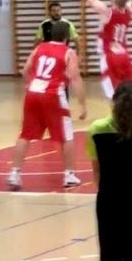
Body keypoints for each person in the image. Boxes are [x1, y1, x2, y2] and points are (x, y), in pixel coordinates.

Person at [87, 31, 132, 260]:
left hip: (109, 195)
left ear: (114, 100)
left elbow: (96, 172)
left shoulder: (96, 129)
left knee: (109, 253)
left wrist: (105, 191)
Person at [8, 22, 87, 190]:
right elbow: (75, 78)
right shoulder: (68, 52)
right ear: (66, 37)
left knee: (25, 134)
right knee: (66, 136)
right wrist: (83, 105)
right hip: (53, 94)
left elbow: (25, 70)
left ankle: (14, 174)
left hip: (33, 92)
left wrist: (29, 84)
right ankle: (69, 175)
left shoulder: (39, 48)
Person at [84, 0, 132, 99]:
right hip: (124, 55)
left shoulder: (107, 12)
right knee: (129, 90)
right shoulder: (129, 10)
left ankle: (117, 111)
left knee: (114, 94)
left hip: (109, 55)